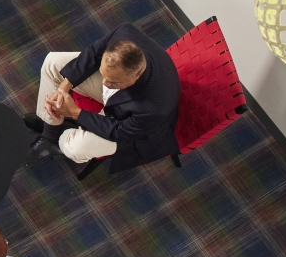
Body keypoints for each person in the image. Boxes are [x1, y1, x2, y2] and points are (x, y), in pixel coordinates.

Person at [26, 23, 180, 167]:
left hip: (133, 129)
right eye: (103, 75)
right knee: (53, 62)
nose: (105, 84)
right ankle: (51, 132)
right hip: (126, 96)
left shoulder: (153, 108)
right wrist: (63, 88)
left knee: (75, 147)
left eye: (113, 83)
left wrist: (74, 113)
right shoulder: (124, 33)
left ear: (137, 74)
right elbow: (94, 52)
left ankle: (61, 138)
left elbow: (120, 132)